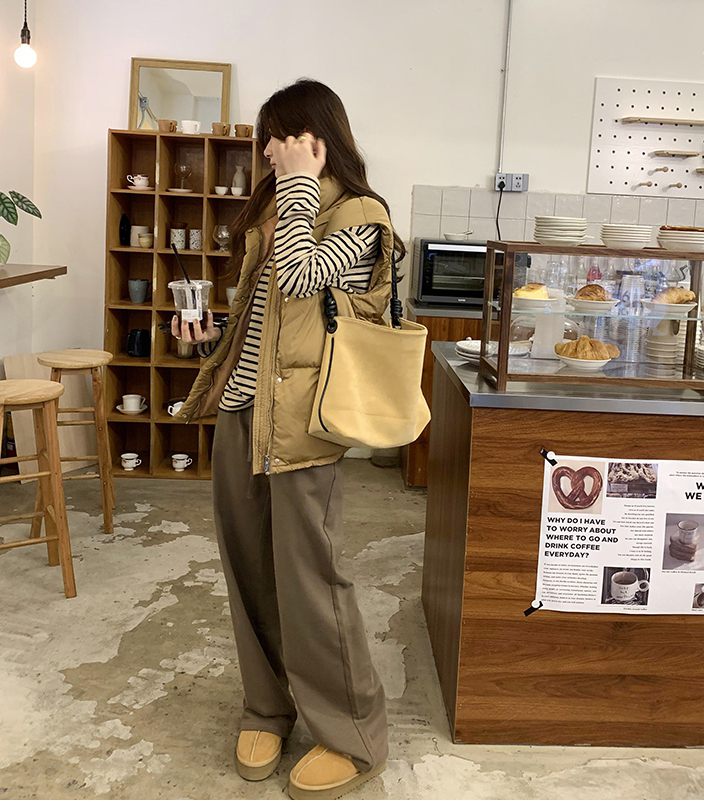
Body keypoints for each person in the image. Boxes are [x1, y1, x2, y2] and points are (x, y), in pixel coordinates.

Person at [173, 78, 405, 800]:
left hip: (306, 425)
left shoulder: (361, 217)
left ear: (315, 138)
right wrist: (206, 338)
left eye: (278, 137)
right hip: (243, 415)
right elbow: (263, 323)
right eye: (265, 140)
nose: (267, 152)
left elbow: (303, 280)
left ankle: (353, 733)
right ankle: (266, 708)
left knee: (311, 582)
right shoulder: (277, 213)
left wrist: (300, 185)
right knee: (249, 572)